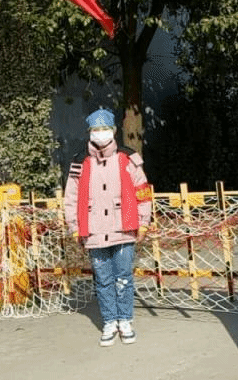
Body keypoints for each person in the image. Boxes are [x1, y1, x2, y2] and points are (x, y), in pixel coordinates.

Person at [64, 108, 153, 347]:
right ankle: (109, 321)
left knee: (123, 278)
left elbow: (142, 192)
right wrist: (74, 226)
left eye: (105, 129)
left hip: (123, 228)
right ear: (89, 132)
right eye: (96, 129)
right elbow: (71, 197)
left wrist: (144, 222)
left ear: (113, 131)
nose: (100, 133)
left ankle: (125, 320)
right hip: (94, 230)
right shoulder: (79, 162)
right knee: (103, 280)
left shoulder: (128, 158)